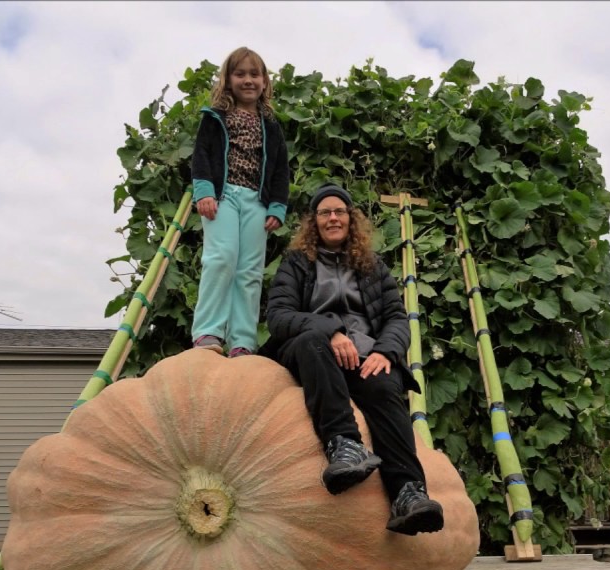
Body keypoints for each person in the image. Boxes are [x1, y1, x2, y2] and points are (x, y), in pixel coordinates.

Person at [258, 184, 444, 535]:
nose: (333, 218)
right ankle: (344, 445)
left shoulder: (373, 266)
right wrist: (330, 329)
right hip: (313, 353)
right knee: (313, 340)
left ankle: (408, 493)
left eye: (339, 212)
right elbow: (279, 317)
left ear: (350, 218)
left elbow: (396, 318)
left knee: (385, 384)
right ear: (314, 222)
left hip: (364, 355)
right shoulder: (297, 263)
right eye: (325, 212)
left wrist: (384, 351)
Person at [189, 46, 290, 358]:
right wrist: (204, 191)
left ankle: (243, 341)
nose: (248, 80)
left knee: (249, 271)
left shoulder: (271, 125)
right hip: (223, 196)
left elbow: (280, 169)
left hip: (256, 203)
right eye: (240, 73)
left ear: (264, 81)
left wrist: (277, 205)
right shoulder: (215, 117)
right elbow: (201, 155)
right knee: (221, 259)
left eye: (254, 74)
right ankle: (208, 331)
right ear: (228, 80)